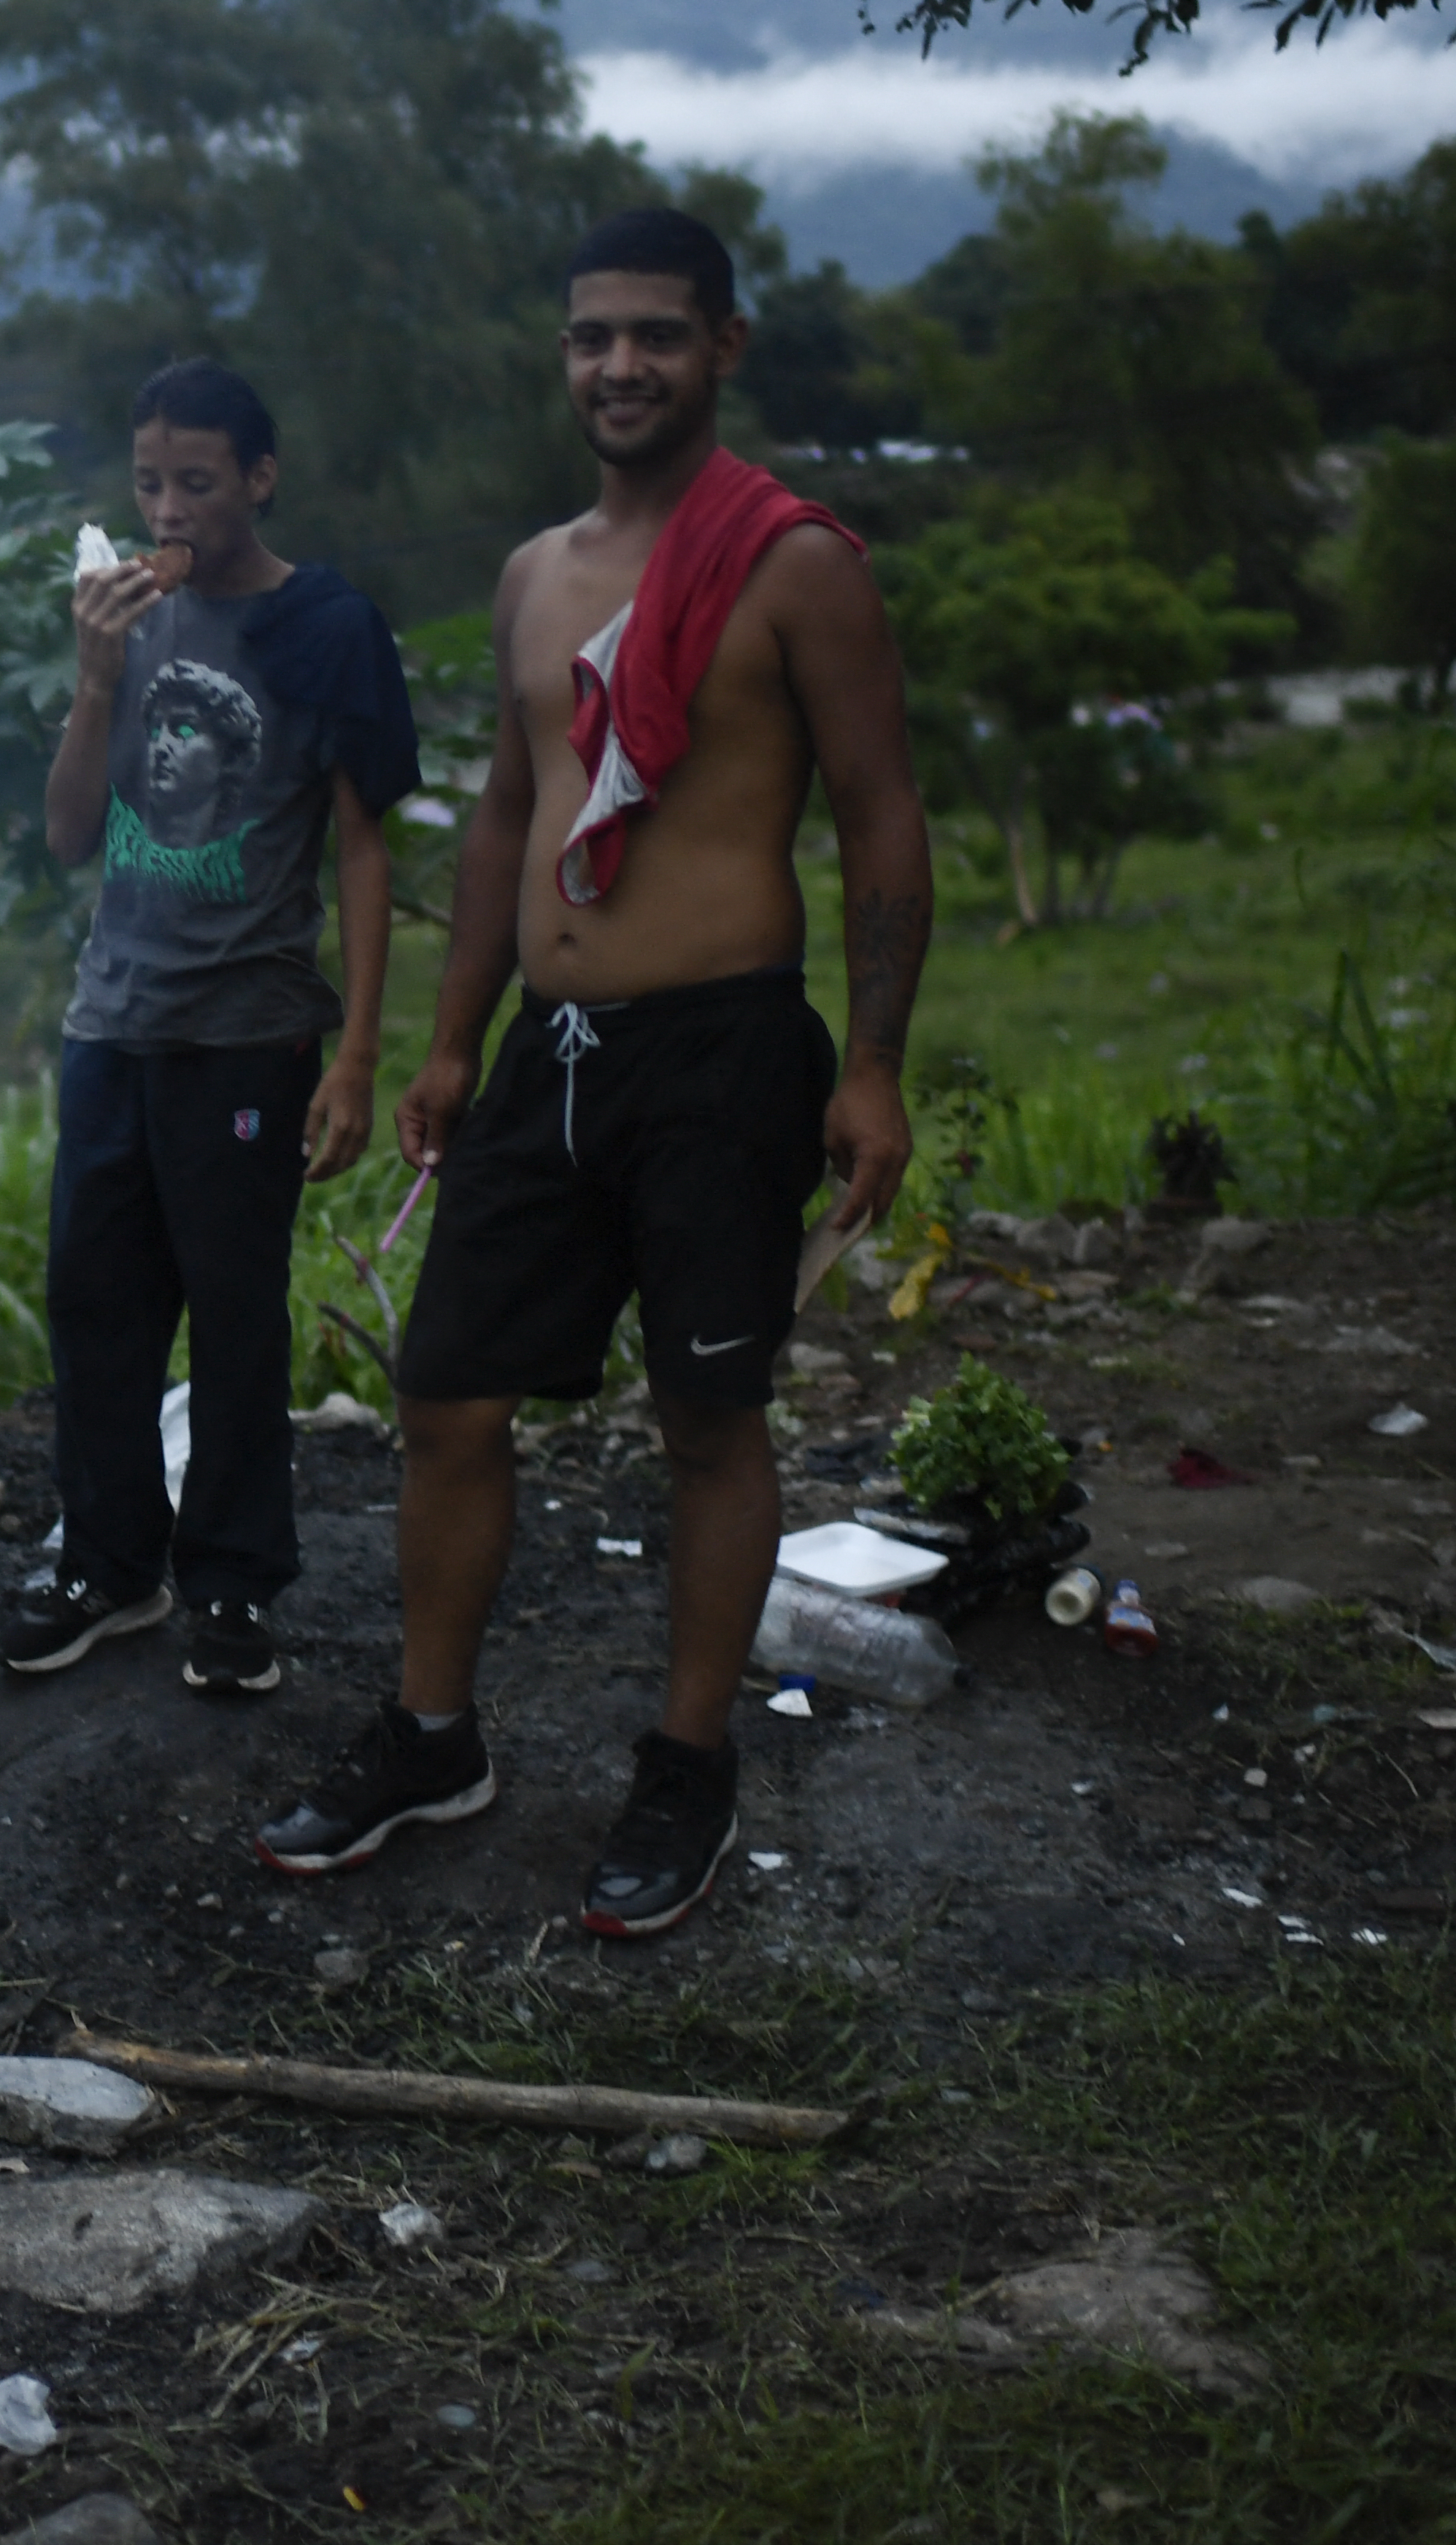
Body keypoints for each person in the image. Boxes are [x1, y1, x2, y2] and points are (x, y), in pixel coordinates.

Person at [251, 207, 933, 1937]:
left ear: (721, 347)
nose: (617, 365)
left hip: (719, 1051)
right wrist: (453, 1031)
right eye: (589, 338)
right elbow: (507, 816)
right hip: (544, 1055)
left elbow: (879, 817)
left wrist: (870, 1065)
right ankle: (429, 1734)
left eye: (653, 334)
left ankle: (686, 1762)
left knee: (707, 1416)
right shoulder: (536, 573)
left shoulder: (794, 563)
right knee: (447, 1397)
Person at [0, 360, 415, 1696]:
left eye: (195, 482)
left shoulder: (327, 628)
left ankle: (231, 1584)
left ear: (257, 478)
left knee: (235, 1318)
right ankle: (108, 1568)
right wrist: (94, 674)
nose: (167, 509)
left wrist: (353, 1054)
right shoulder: (121, 624)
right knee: (95, 1307)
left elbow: (361, 848)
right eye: (146, 484)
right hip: (111, 1024)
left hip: (248, 1031)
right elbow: (67, 836)